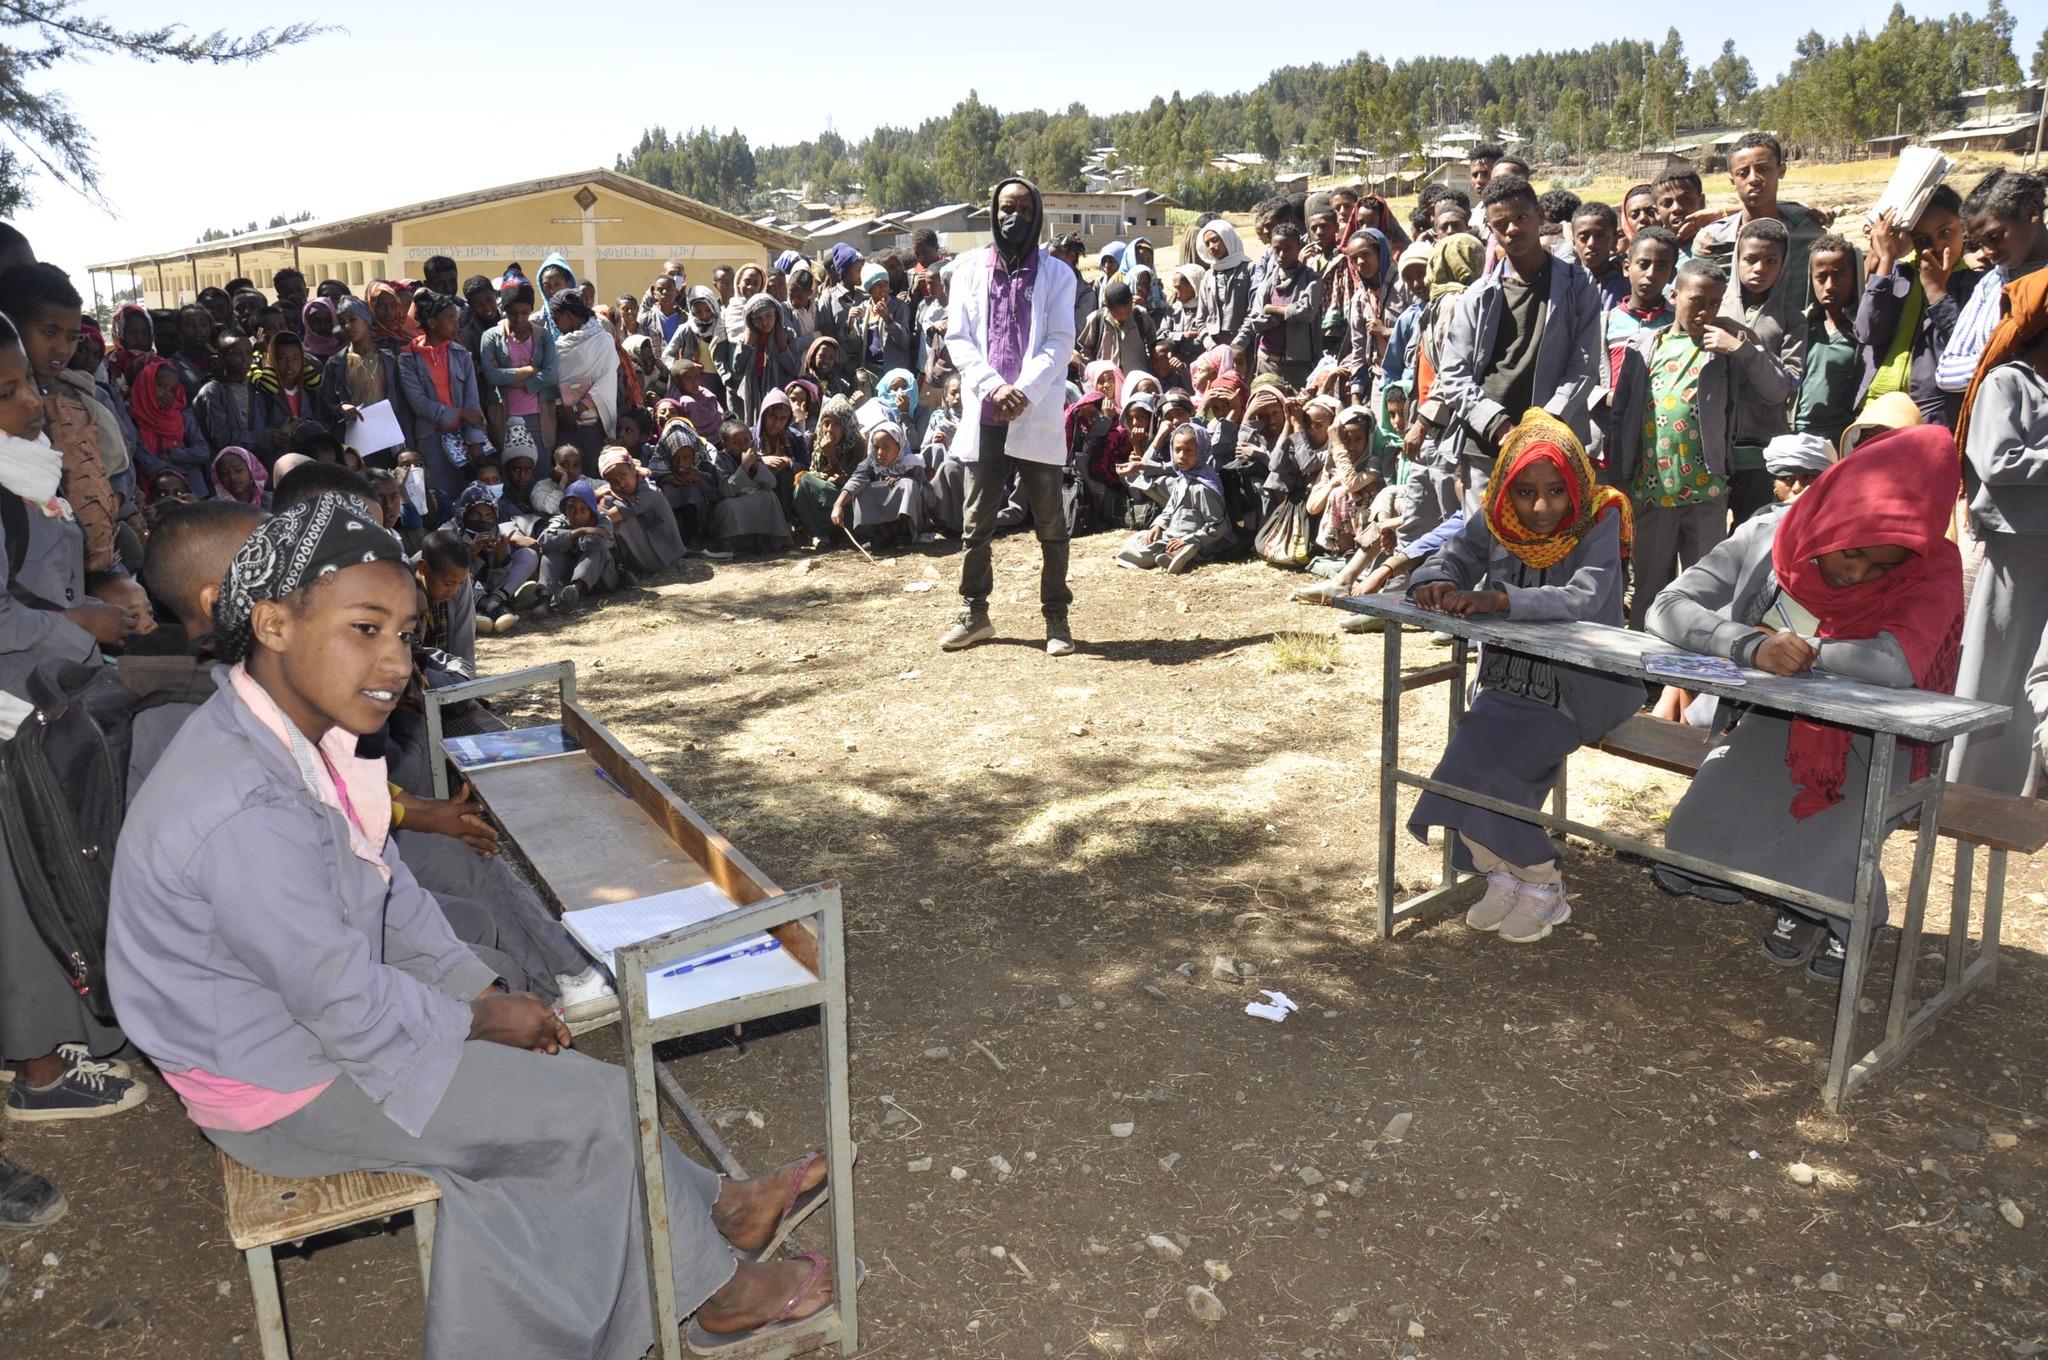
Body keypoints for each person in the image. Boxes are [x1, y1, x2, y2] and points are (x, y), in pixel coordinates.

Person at [105, 493, 842, 1357]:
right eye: (364, 629)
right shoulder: (244, 805)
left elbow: (388, 893)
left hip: (290, 1029)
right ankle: (725, 1294)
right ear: (271, 623)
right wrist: (484, 1018)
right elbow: (343, 1003)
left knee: (528, 1038)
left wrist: (478, 991)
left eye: (408, 632)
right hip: (276, 1086)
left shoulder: (300, 737)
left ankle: (718, 1209)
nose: (395, 662)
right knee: (597, 1108)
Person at [1648, 428, 1963, 983]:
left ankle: (1840, 918)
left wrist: (1806, 650)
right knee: (1694, 835)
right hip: (1780, 723)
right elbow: (1667, 607)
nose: (1858, 575)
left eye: (1881, 568)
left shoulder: (1931, 565)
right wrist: (1748, 644)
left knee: (1830, 847)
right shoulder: (1773, 531)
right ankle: (1800, 899)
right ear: (1836, 512)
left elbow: (1898, 665)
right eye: (1855, 552)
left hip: (1879, 740)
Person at [1406, 411, 1637, 944]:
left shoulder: (1599, 517)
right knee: (1459, 768)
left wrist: (1500, 599)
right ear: (1507, 487)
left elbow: (1588, 597)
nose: (1540, 507)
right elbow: (1453, 555)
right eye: (1526, 492)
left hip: (1579, 689)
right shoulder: (1496, 515)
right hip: (1508, 681)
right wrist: (1437, 581)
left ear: (1575, 483)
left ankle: (1543, 881)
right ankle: (1503, 872)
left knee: (1498, 777)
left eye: (1556, 491)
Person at [0, 310, 148, 1123]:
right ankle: (40, 1072)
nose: (30, 402)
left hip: (38, 697)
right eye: (9, 390)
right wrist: (73, 625)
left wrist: (85, 609)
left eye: (26, 379)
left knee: (50, 877)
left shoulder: (20, 474)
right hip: (11, 719)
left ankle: (70, 1030)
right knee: (16, 896)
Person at [1610, 258, 1793, 629]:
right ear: (1674, 294)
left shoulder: (1723, 350)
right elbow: (1622, 414)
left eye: (1714, 302)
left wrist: (1741, 348)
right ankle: (1644, 677)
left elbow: (1776, 390)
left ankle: (1693, 681)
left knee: (1703, 593)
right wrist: (1621, 475)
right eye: (1697, 301)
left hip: (1705, 493)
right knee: (1648, 588)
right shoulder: (1646, 346)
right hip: (1653, 491)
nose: (1706, 311)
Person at [939, 177, 1078, 656]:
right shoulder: (968, 271)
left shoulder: (1059, 275)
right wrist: (992, 386)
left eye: (1021, 208)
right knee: (977, 521)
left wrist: (1023, 390)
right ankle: (975, 613)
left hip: (1033, 413)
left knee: (1050, 523)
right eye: (1003, 208)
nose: (1011, 217)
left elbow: (1060, 341)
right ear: (992, 213)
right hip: (986, 413)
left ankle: (1056, 617)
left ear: (1036, 213)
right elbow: (958, 338)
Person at [1412, 174, 1602, 518]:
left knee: (1547, 544)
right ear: (1489, 228)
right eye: (1501, 224)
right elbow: (1454, 376)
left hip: (1553, 443)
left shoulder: (1577, 283)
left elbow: (1585, 363)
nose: (1513, 229)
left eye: (1521, 218)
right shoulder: (1478, 296)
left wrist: (1545, 424)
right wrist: (1501, 427)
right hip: (1487, 445)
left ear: (1540, 214)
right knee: (1486, 544)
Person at [1947, 270, 2048, 795]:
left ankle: (2025, 786)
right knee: (1996, 666)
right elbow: (1997, 460)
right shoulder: (2007, 382)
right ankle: (1967, 784)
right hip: (2018, 549)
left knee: (2041, 672)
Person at [0, 263, 125, 573]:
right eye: (49, 333)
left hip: (98, 550)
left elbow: (116, 470)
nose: (62, 348)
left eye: (72, 337)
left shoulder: (80, 397)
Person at [1859, 186, 1980, 428]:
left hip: (1931, 414)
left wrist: (1937, 292)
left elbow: (1969, 349)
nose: (1935, 245)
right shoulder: (1900, 274)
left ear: (1963, 228)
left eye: (1945, 232)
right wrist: (1885, 260)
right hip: (1877, 407)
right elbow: (1868, 331)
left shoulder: (1976, 285)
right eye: (1922, 239)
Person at [1719, 218, 1807, 526]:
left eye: (1771, 261)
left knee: (1753, 532)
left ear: (1783, 265)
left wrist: (1749, 349)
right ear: (1737, 260)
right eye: (1751, 259)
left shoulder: (1791, 319)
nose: (1760, 268)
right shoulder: (1718, 309)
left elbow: (1788, 383)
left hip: (1763, 454)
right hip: (1716, 450)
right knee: (1711, 540)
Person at [1936, 170, 2048, 398]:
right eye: (1980, 243)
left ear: (2031, 214)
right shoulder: (1991, 284)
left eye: (1995, 237)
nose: (1987, 252)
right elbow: (1946, 372)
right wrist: (2010, 358)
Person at [1693, 133, 1831, 313]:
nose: (1753, 178)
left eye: (1763, 169)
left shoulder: (1806, 231)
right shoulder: (1713, 242)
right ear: (1732, 181)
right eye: (1743, 173)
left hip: (1800, 335)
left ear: (1781, 170)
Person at [398, 289, 489, 511]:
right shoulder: (408, 359)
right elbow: (418, 403)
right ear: (432, 322)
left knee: (463, 496)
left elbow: (472, 403)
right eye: (449, 319)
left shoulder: (461, 355)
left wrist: (475, 439)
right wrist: (457, 414)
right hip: (430, 439)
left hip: (461, 437)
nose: (456, 324)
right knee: (436, 498)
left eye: (456, 318)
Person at [320, 298, 409, 467]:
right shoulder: (336, 363)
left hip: (387, 439)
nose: (347, 326)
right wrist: (340, 408)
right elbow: (324, 404)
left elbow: (402, 405)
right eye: (342, 322)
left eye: (353, 319)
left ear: (366, 319)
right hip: (354, 442)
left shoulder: (389, 360)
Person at [1797, 235, 1865, 450]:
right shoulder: (1800, 326)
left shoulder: (1863, 332)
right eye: (1821, 277)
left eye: (1839, 275)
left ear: (1855, 277)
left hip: (1843, 435)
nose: (1829, 286)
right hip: (1798, 432)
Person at [478, 280, 559, 455]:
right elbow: (491, 376)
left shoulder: (544, 337)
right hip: (503, 416)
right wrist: (530, 370)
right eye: (513, 313)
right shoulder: (491, 337)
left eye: (524, 313)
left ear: (531, 311)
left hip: (538, 417)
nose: (519, 318)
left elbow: (551, 376)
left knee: (540, 474)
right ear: (505, 311)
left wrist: (509, 380)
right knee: (510, 474)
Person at [550, 288, 620, 464]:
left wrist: (577, 409)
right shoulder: (558, 345)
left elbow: (606, 382)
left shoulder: (603, 341)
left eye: (556, 319)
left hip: (593, 426)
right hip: (563, 423)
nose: (555, 325)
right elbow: (553, 378)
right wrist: (563, 410)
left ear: (568, 315)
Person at [830, 420, 926, 547]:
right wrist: (838, 505)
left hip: (911, 521)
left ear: (898, 446)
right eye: (876, 447)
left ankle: (903, 533)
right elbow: (855, 481)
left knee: (908, 484)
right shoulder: (870, 464)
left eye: (886, 447)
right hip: (882, 521)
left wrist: (903, 479)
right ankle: (884, 535)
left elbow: (928, 497)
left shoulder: (912, 464)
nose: (880, 453)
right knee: (862, 489)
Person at [129, 355, 214, 497]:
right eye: (161, 386)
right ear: (147, 383)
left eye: (172, 390)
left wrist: (173, 454)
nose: (167, 393)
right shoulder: (133, 417)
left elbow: (203, 451)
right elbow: (143, 458)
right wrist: (180, 467)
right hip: (153, 490)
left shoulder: (182, 417)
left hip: (192, 489)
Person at [597, 446, 687, 574]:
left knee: (613, 518)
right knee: (607, 502)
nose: (621, 484)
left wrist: (607, 493)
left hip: (661, 558)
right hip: (650, 549)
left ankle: (617, 569)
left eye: (623, 476)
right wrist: (608, 491)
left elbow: (608, 518)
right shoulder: (619, 487)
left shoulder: (649, 492)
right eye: (613, 482)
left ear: (633, 469)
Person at [537, 477, 622, 606]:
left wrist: (568, 539)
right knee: (551, 552)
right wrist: (581, 531)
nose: (576, 515)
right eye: (572, 509)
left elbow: (601, 542)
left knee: (597, 551)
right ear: (565, 509)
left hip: (602, 579)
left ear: (591, 511)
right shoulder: (560, 520)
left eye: (583, 510)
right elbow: (544, 540)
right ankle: (544, 600)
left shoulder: (603, 520)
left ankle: (574, 590)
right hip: (569, 577)